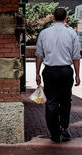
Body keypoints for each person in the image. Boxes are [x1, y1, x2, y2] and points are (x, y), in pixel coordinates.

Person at [35, 7, 81, 143]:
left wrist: (37, 74)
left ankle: (54, 132)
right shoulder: (71, 33)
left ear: (53, 18)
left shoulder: (44, 33)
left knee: (51, 103)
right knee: (66, 101)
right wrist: (77, 75)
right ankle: (64, 129)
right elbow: (76, 57)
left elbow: (39, 55)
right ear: (66, 18)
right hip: (66, 71)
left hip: (49, 71)